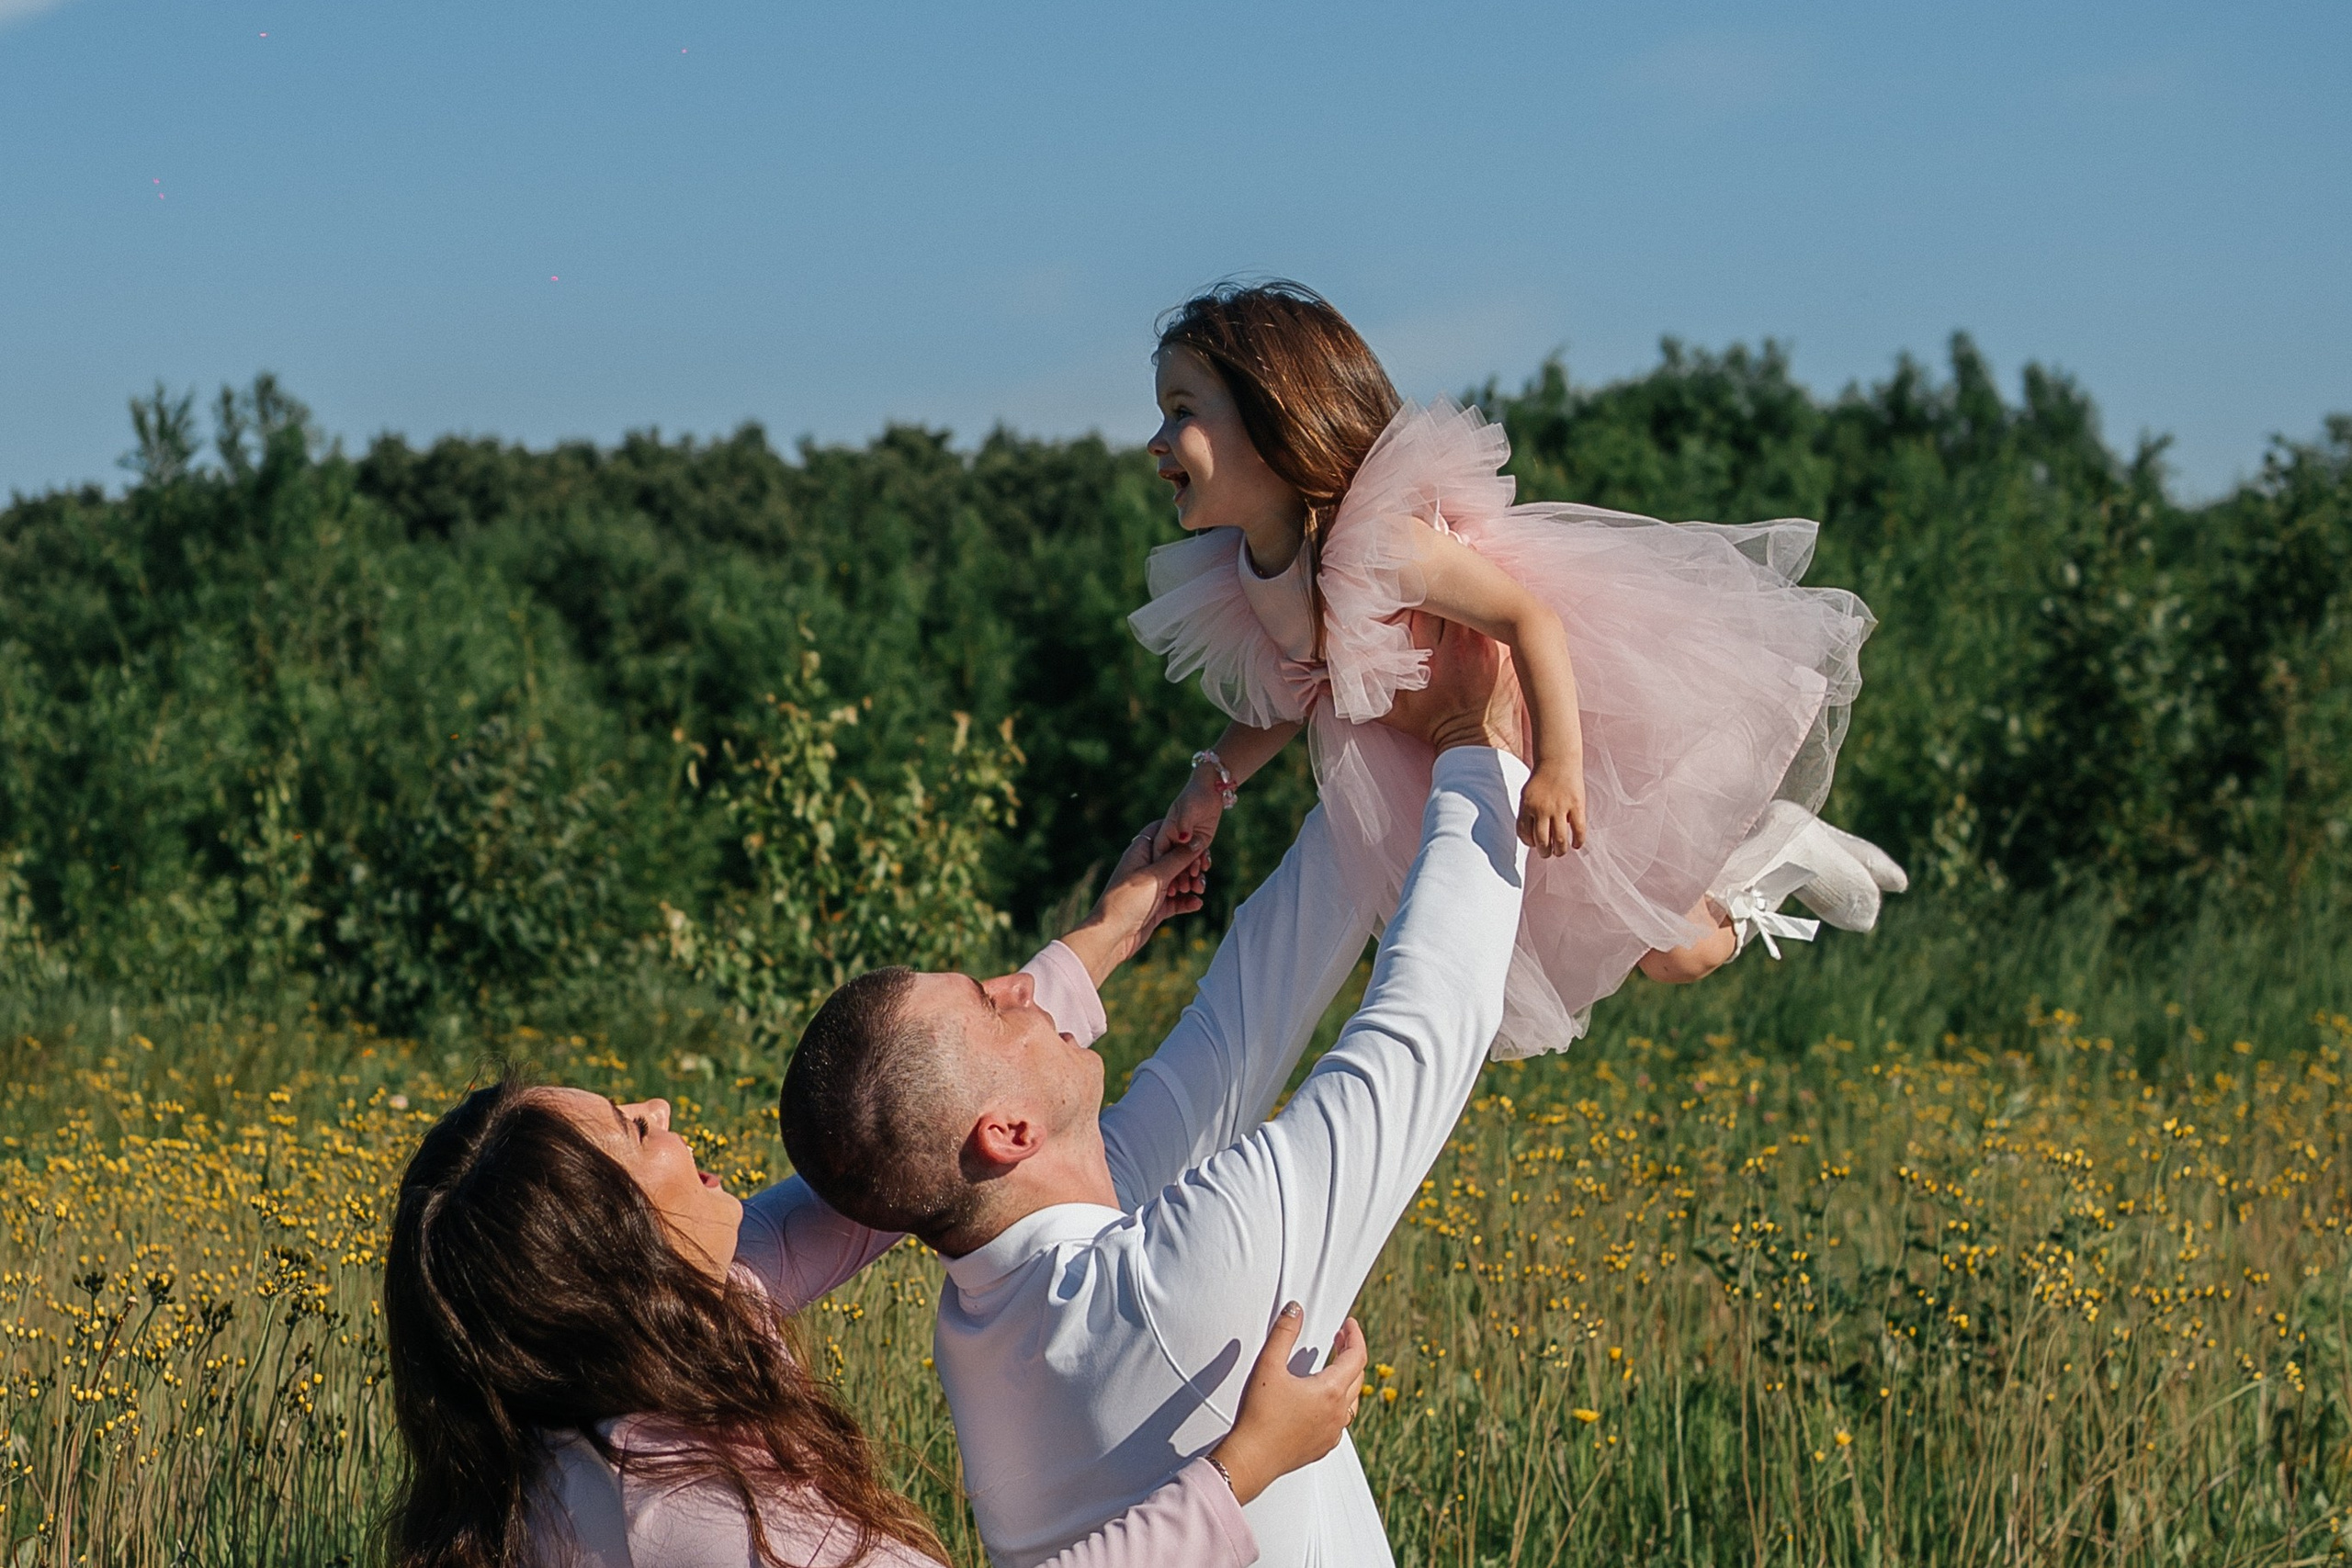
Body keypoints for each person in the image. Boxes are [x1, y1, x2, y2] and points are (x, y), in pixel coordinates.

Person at [382, 834, 1369, 1568]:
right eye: (634, 1133)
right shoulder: (691, 1523)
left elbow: (895, 1157)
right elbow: (912, 1152)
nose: (661, 1108)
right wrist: (1242, 1470)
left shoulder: (636, 1363)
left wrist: (1088, 953)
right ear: (605, 1244)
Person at [782, 613, 1533, 1568]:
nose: (1024, 984)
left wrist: (1370, 762)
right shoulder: (1172, 1287)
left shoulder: (992, 1312)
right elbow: (1420, 1030)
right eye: (991, 1001)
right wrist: (1477, 746)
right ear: (1008, 1132)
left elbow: (1237, 1027)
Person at [1131, 280, 1907, 1058]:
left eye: (1183, 410)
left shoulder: (1380, 542)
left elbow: (1530, 620)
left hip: (1556, 726)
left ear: (1273, 421)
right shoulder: (1246, 575)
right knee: (1668, 956)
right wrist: (1213, 779)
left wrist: (1562, 766)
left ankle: (1781, 849)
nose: (1157, 439)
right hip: (1450, 757)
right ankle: (1778, 858)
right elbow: (1296, 688)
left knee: (1678, 950)